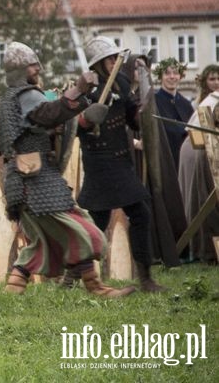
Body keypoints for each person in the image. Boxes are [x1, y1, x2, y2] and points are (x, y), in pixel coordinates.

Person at [0, 43, 135, 297]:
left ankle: (12, 290)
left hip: (25, 179)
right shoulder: (26, 95)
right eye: (32, 64)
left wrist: (79, 108)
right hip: (34, 181)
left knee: (42, 241)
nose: (38, 68)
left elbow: (41, 125)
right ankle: (96, 288)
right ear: (20, 70)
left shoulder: (8, 99)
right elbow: (48, 114)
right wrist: (80, 91)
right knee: (80, 228)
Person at [76, 36, 166, 292]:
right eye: (110, 58)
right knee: (95, 224)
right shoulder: (88, 89)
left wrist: (142, 112)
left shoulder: (123, 83)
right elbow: (73, 127)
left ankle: (146, 278)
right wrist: (86, 119)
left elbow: (133, 121)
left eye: (116, 58)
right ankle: (73, 277)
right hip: (99, 163)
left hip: (121, 162)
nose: (115, 62)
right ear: (99, 63)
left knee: (140, 214)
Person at [177, 64, 219, 263]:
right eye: (212, 79)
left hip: (208, 150)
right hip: (199, 150)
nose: (216, 82)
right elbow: (195, 133)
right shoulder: (210, 101)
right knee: (202, 199)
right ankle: (204, 250)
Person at [153, 57, 195, 170]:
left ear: (180, 76)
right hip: (164, 160)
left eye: (175, 73)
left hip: (185, 161)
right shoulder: (153, 101)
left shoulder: (186, 104)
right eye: (167, 73)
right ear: (160, 76)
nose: (172, 77)